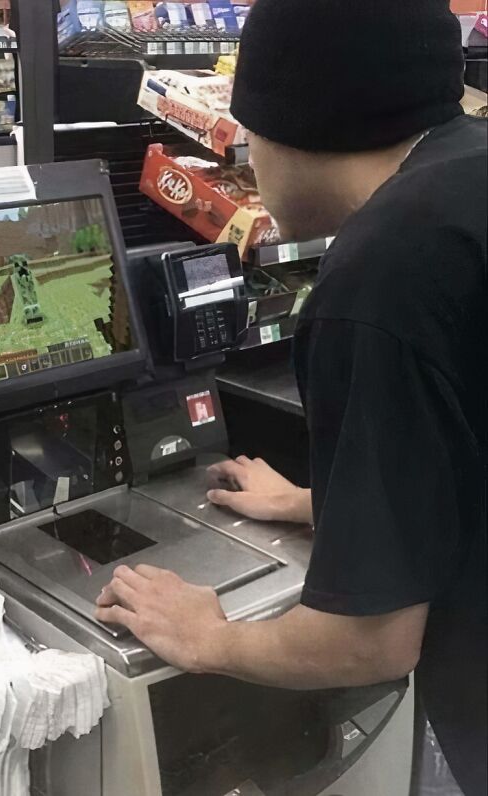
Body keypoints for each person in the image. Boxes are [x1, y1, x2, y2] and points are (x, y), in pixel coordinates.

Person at [96, 1, 487, 793]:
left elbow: (369, 642)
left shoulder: (383, 274)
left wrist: (211, 638)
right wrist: (324, 503)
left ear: (291, 121)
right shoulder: (469, 178)